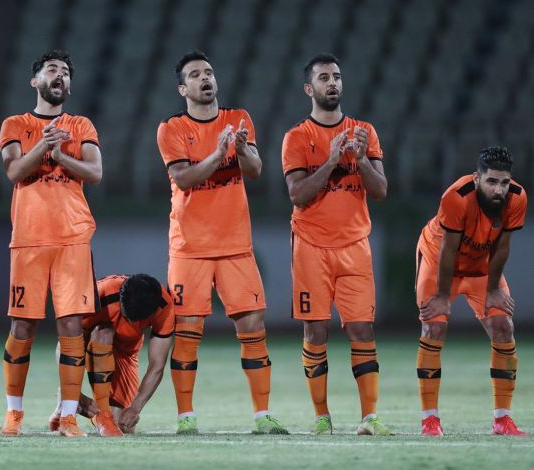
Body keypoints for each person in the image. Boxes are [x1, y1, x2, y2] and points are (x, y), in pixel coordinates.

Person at [156, 51, 286, 435]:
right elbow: (184, 179)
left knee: (253, 324)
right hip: (190, 247)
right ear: (183, 89)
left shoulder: (238, 118)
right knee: (188, 329)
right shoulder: (171, 128)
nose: (205, 78)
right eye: (195, 75)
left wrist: (241, 148)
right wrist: (217, 153)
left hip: (235, 244)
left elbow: (256, 170)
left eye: (209, 72)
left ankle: (262, 416)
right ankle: (186, 417)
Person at [281, 53, 390, 436]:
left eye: (337, 77)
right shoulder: (297, 137)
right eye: (324, 78)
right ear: (308, 89)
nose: (333, 83)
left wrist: (361, 161)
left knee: (362, 330)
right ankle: (321, 417)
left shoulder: (364, 132)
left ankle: (370, 417)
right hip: (311, 246)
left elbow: (380, 191)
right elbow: (298, 195)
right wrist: (330, 162)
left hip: (355, 245)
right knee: (315, 332)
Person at [0, 50, 102, 438]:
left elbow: (95, 172)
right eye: (52, 70)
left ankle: (69, 416)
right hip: (29, 239)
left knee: (72, 325)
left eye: (65, 72)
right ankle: (14, 413)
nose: (60, 75)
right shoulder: (16, 124)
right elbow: (14, 171)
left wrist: (60, 155)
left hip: (73, 238)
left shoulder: (81, 125)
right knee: (22, 325)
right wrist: (43, 147)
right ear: (35, 81)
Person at [416, 147, 527, 436]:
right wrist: (442, 297)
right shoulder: (456, 196)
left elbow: (502, 246)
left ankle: (502, 419)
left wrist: (493, 288)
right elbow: (448, 250)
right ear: (477, 179)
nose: (499, 190)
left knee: (503, 327)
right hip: (439, 261)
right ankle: (430, 419)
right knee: (433, 328)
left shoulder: (517, 197)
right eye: (492, 182)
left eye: (504, 182)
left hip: (481, 266)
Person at [48, 274, 174, 436]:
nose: (132, 323)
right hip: (92, 345)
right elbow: (66, 347)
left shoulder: (163, 306)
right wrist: (73, 391)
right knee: (104, 332)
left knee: (123, 426)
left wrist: (135, 408)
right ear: (120, 299)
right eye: (128, 316)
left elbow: (157, 366)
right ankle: (82, 405)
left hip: (125, 354)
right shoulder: (98, 295)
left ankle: (79, 406)